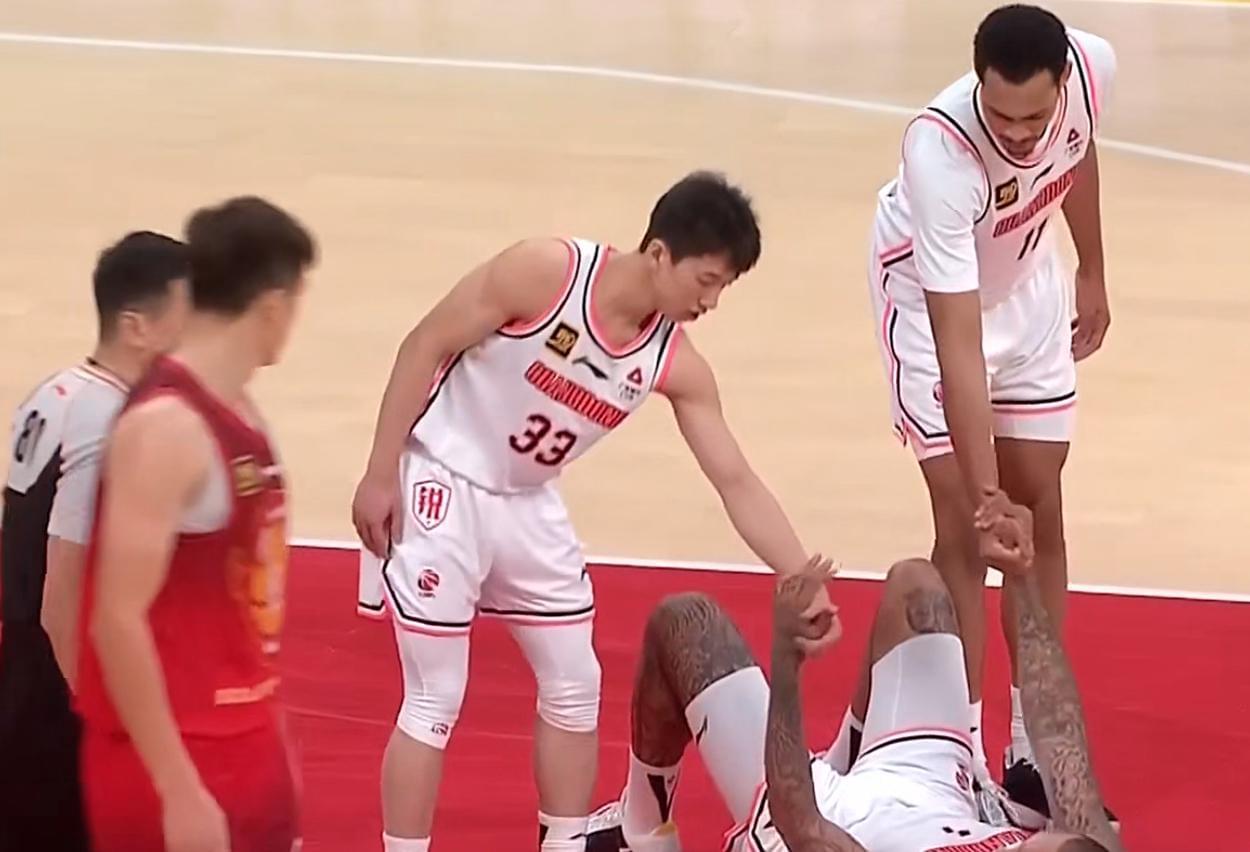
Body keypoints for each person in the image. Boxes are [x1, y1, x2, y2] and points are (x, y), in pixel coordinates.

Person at [350, 170, 839, 852]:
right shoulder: (545, 274)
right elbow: (425, 343)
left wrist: (799, 574)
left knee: (576, 685)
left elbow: (735, 479)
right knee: (437, 696)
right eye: (707, 280)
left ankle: (565, 845)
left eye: (724, 287)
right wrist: (380, 471)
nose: (711, 301)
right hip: (444, 477)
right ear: (660, 253)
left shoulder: (674, 362)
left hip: (528, 500)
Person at [862, 2, 1119, 814]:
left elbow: (1078, 150)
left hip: (1028, 279)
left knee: (1040, 509)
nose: (1017, 134)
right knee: (966, 527)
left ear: (1063, 81)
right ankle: (961, 762)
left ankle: (1033, 747)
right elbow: (959, 348)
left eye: (1033, 117)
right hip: (932, 306)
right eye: (1000, 116)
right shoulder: (940, 155)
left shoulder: (1093, 68)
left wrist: (1092, 269)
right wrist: (983, 494)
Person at [595, 490, 1122, 851]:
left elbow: (802, 824)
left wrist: (787, 660)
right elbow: (1061, 737)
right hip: (935, 791)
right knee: (918, 588)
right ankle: (854, 754)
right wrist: (1021, 578)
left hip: (819, 816)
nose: (1035, 838)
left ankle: (640, 833)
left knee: (686, 622)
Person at [73, 197, 316, 852]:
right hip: (179, 755)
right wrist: (177, 787)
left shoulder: (239, 409)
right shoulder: (167, 429)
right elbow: (116, 619)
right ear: (273, 306)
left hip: (242, 738)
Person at [0, 231, 190, 852]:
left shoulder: (53, 391)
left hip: (23, 676)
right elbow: (62, 593)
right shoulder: (111, 420)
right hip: (61, 699)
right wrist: (103, 716)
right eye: (185, 314)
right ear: (137, 326)